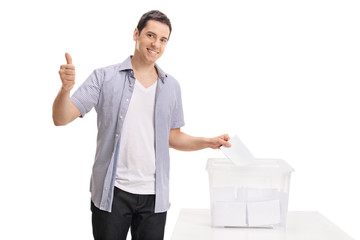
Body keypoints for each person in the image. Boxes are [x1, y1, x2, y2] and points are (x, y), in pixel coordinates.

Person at [53, 10, 231, 240]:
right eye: (150, 35)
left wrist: (209, 142)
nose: (155, 44)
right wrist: (65, 89)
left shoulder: (171, 87)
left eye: (163, 39)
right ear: (136, 34)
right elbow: (61, 118)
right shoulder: (104, 77)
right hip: (112, 194)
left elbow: (172, 137)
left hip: (154, 197)